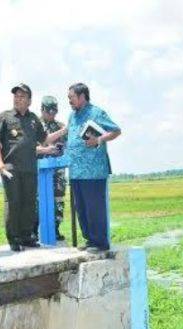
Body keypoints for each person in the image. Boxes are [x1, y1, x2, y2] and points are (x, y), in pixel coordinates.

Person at [0, 84, 64, 252]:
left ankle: (26, 236)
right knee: (14, 202)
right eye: (16, 95)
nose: (18, 98)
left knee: (29, 203)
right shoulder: (4, 117)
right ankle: (14, 238)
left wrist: (64, 130)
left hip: (30, 168)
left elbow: (45, 139)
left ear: (29, 101)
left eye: (22, 96)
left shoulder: (33, 119)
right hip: (11, 167)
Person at [65, 83, 121, 252]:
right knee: (81, 209)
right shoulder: (71, 116)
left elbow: (116, 130)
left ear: (82, 96)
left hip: (93, 172)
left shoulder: (96, 113)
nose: (69, 101)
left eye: (71, 97)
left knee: (94, 208)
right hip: (75, 171)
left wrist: (98, 140)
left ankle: (100, 243)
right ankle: (90, 240)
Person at [35, 95, 67, 241]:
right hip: (40, 170)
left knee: (58, 200)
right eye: (49, 111)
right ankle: (34, 231)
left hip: (58, 170)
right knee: (37, 201)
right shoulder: (34, 125)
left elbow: (68, 146)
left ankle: (55, 229)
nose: (52, 114)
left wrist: (61, 149)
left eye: (54, 111)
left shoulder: (61, 127)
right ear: (42, 109)